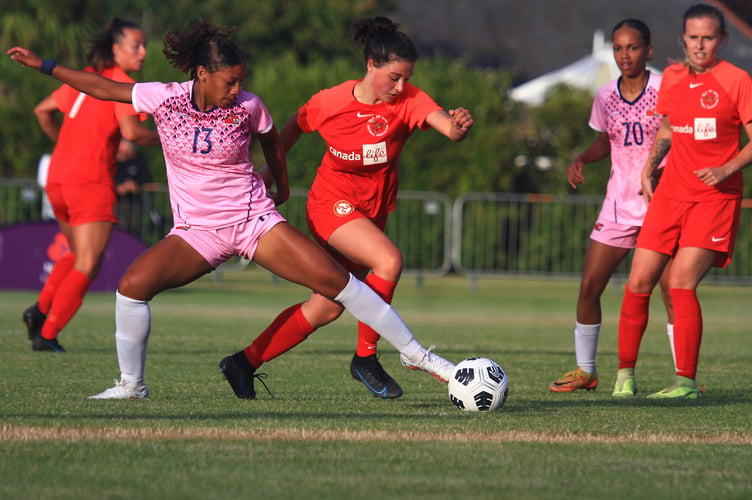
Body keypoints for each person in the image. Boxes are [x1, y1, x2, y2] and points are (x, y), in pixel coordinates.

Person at [8, 19, 456, 400]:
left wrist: (279, 186)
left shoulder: (249, 106)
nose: (239, 90)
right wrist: (44, 65)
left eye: (242, 81)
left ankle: (419, 356)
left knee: (339, 285)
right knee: (131, 287)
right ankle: (131, 385)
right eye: (230, 81)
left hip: (253, 222)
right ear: (202, 74)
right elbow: (104, 87)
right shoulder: (165, 97)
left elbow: (273, 144)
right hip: (196, 231)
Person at [250, 16, 473, 400]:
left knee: (326, 308)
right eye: (394, 77)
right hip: (330, 205)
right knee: (388, 262)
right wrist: (266, 176)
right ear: (371, 65)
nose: (401, 86)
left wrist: (459, 126)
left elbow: (447, 128)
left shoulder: (408, 100)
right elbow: (289, 131)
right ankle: (365, 358)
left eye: (407, 77)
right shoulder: (330, 102)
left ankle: (243, 362)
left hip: (371, 213)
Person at [611, 3, 752, 399]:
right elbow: (669, 128)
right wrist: (648, 168)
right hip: (670, 194)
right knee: (638, 282)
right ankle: (624, 378)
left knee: (680, 283)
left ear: (722, 40)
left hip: (714, 198)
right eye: (694, 37)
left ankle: (685, 382)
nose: (700, 45)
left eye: (708, 37)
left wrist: (726, 170)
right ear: (683, 39)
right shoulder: (672, 76)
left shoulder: (738, 80)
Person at [549, 19, 675, 393]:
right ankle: (586, 371)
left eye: (632, 47)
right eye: (619, 48)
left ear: (648, 50)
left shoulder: (664, 87)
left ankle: (684, 377)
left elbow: (676, 137)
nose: (625, 55)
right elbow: (607, 141)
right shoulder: (605, 95)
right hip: (618, 207)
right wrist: (581, 158)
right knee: (589, 287)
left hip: (660, 205)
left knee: (672, 291)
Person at [20, 18, 160, 353]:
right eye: (135, 46)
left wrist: (65, 146)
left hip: (58, 177)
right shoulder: (122, 85)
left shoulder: (83, 78)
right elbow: (132, 133)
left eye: (144, 46)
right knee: (89, 263)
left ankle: (39, 311)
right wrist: (172, 137)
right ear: (116, 48)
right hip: (90, 179)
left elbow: (43, 110)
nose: (142, 52)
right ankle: (48, 334)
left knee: (77, 254)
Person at [114, 139, 158, 235]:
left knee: (133, 228)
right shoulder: (112, 161)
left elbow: (147, 180)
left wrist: (136, 186)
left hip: (135, 202)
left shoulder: (139, 160)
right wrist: (118, 187)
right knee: (118, 228)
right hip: (116, 202)